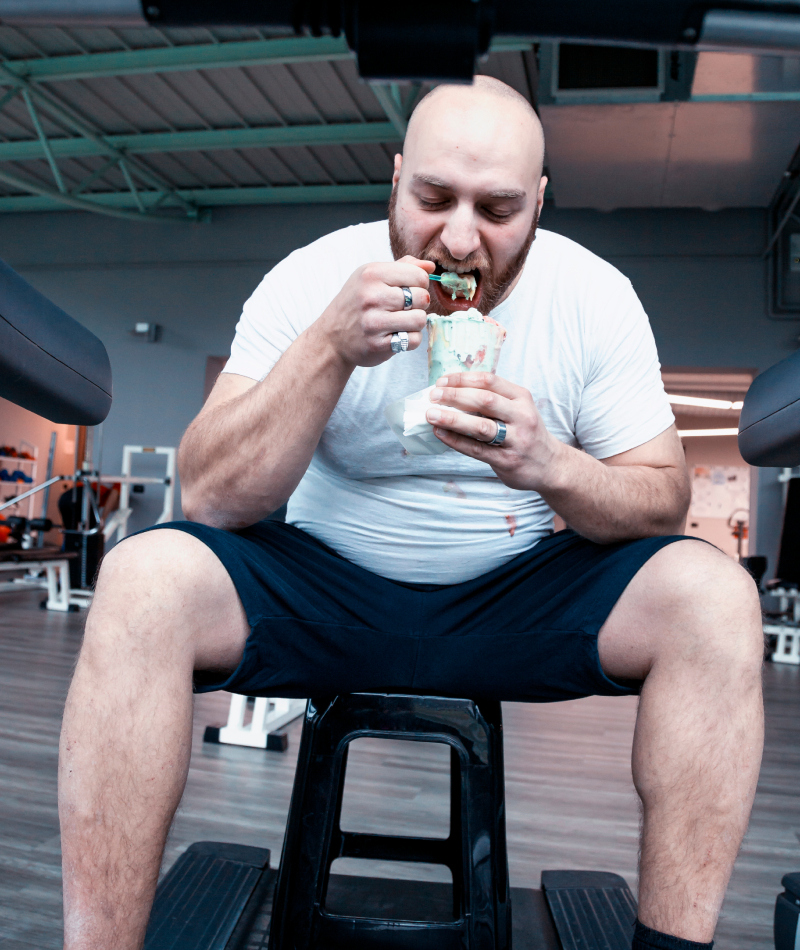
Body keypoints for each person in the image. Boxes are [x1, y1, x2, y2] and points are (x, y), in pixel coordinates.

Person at [58, 77, 763, 950]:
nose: (461, 238)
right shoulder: (313, 277)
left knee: (716, 597)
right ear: (395, 180)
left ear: (540, 202)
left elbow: (664, 497)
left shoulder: (595, 296)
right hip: (320, 593)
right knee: (139, 577)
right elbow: (206, 494)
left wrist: (551, 465)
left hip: (517, 600)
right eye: (433, 199)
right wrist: (326, 349)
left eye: (498, 209)